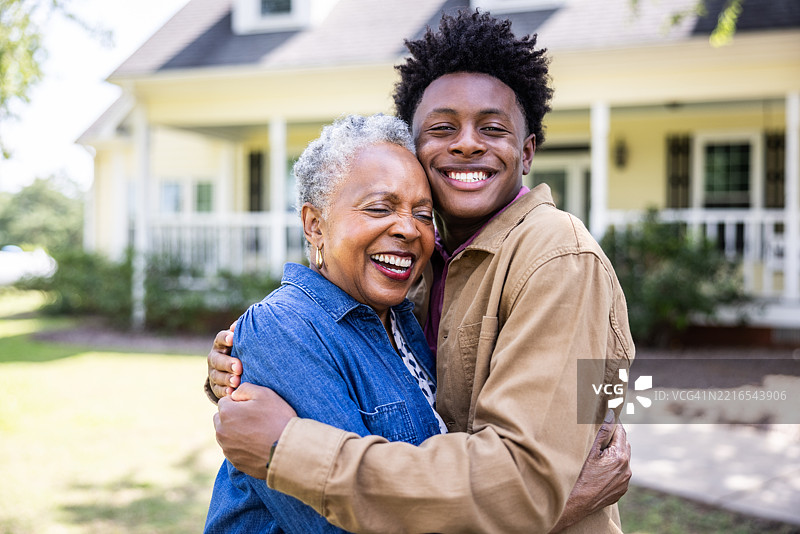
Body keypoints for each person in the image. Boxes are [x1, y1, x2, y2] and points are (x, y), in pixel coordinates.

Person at [210, 10, 634, 533]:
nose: (466, 144)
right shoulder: (423, 271)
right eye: (442, 128)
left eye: (493, 128)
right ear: (417, 150)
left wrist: (286, 447)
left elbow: (543, 461)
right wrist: (244, 364)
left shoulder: (558, 256)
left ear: (527, 153)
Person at [205, 114, 446, 532]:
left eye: (423, 214)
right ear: (315, 225)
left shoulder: (404, 320)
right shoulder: (282, 330)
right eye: (379, 208)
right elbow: (340, 524)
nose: (408, 229)